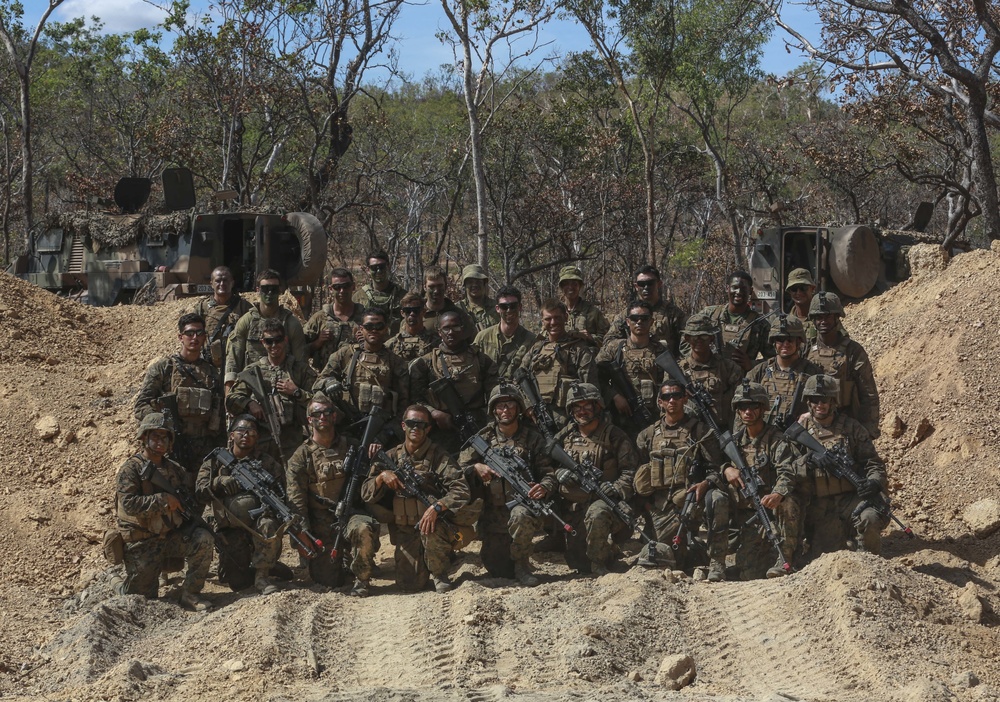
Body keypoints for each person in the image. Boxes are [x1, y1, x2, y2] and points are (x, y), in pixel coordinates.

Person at [361, 404, 481, 592]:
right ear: (403, 426)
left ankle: (440, 571)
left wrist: (438, 507)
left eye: (421, 424)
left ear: (428, 428)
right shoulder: (390, 456)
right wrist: (381, 477)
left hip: (434, 525)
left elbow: (461, 489)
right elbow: (366, 493)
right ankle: (426, 561)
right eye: (411, 423)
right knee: (409, 585)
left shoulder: (438, 456)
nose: (416, 428)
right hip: (406, 528)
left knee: (431, 528)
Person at [113, 413, 214, 610]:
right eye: (155, 437)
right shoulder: (131, 469)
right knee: (139, 599)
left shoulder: (175, 469)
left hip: (170, 537)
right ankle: (115, 581)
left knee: (204, 538)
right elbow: (129, 504)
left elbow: (190, 499)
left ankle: (190, 594)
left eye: (165, 437)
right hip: (142, 543)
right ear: (144, 438)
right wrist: (163, 500)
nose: (160, 442)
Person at [459, 384, 557, 585]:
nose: (506, 410)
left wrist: (544, 487)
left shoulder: (533, 438)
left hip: (521, 506)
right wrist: (476, 467)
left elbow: (549, 474)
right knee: (499, 569)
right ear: (493, 410)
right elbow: (458, 469)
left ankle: (522, 565)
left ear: (519, 408)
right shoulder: (484, 437)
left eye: (510, 405)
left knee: (521, 517)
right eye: (501, 406)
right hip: (492, 511)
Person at [286, 394, 381, 595]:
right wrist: (302, 534)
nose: (323, 417)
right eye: (317, 413)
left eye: (327, 412)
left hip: (351, 514)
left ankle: (362, 579)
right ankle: (344, 559)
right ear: (309, 419)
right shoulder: (301, 456)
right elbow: (297, 499)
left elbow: (372, 473)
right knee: (330, 580)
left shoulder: (353, 445)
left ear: (334, 417)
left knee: (363, 528)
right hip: (321, 522)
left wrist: (376, 450)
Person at [633, 379, 726, 579]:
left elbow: (715, 469)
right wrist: (647, 507)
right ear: (660, 402)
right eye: (667, 396)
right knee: (664, 555)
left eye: (676, 395)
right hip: (661, 507)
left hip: (693, 499)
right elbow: (637, 475)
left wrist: (705, 484)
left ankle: (717, 562)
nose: (672, 400)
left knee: (718, 499)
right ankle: (696, 552)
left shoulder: (700, 432)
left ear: (685, 398)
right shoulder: (647, 435)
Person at [791, 374, 889, 557]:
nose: (820, 404)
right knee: (827, 555)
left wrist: (873, 482)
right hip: (819, 504)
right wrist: (808, 461)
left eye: (825, 399)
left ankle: (871, 564)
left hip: (850, 498)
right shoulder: (799, 430)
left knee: (870, 518)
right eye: (815, 399)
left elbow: (873, 462)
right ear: (808, 402)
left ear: (834, 401)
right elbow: (786, 468)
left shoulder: (851, 428)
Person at [553, 383, 638, 575]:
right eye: (577, 407)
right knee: (578, 562)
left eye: (587, 406)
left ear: (597, 407)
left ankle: (600, 563)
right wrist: (559, 474)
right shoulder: (565, 436)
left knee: (597, 512)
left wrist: (615, 488)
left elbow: (630, 472)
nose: (582, 412)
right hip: (574, 507)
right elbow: (545, 466)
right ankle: (604, 551)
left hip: (606, 506)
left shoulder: (615, 436)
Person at [195, 414, 285, 595]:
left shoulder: (266, 463)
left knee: (269, 525)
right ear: (231, 435)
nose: (246, 435)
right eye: (241, 431)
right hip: (229, 528)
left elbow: (282, 493)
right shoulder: (215, 461)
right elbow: (200, 491)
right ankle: (265, 565)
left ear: (257, 437)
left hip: (258, 526)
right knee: (238, 582)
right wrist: (218, 482)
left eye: (251, 432)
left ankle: (262, 576)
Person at [720, 382, 798, 580]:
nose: (748, 412)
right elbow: (713, 466)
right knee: (748, 572)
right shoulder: (734, 443)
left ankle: (785, 558)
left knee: (788, 501)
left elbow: (787, 472)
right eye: (742, 407)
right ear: (737, 411)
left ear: (763, 408)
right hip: (748, 513)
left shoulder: (776, 440)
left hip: (773, 509)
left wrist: (778, 493)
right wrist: (726, 469)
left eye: (753, 406)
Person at [134, 313, 224, 480]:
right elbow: (141, 406)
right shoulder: (164, 368)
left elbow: (219, 414)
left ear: (205, 337)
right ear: (180, 337)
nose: (194, 337)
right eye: (189, 333)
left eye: (199, 333)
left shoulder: (212, 373)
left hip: (204, 450)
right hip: (170, 447)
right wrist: (163, 426)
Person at [226, 318, 316, 463]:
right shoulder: (253, 371)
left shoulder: (300, 370)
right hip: (259, 443)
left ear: (285, 340)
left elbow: (318, 402)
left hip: (292, 441)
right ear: (262, 342)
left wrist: (296, 392)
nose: (274, 345)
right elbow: (231, 399)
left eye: (278, 340)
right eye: (269, 341)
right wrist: (249, 403)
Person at [410, 309, 499, 455]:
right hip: (441, 431)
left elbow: (494, 395)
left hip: (477, 426)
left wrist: (489, 425)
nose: (451, 332)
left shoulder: (481, 360)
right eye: (446, 328)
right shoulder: (426, 363)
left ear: (462, 329)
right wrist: (435, 413)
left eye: (455, 327)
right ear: (439, 332)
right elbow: (415, 399)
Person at [314, 307, 409, 435]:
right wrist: (329, 382)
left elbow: (405, 402)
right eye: (369, 326)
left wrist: (388, 432)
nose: (374, 330)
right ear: (361, 329)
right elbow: (318, 382)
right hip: (346, 426)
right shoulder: (345, 354)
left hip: (380, 428)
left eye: (379, 326)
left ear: (386, 329)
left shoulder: (396, 362)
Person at [806, 291, 880, 438]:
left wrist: (868, 430)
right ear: (813, 320)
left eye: (828, 316)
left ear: (837, 318)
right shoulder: (805, 350)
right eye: (819, 317)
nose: (823, 321)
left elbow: (868, 394)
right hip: (810, 427)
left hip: (845, 425)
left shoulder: (853, 351)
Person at [519, 299, 597, 430]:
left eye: (557, 318)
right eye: (548, 319)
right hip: (536, 419)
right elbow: (519, 377)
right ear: (542, 321)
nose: (553, 323)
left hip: (569, 420)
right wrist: (527, 405)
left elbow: (590, 388)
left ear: (566, 317)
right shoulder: (536, 348)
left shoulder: (579, 349)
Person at [595, 300, 668, 439]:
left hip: (653, 416)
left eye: (644, 318)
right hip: (620, 417)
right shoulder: (614, 348)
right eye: (635, 318)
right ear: (628, 322)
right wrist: (614, 396)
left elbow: (668, 383)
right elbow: (596, 377)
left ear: (651, 321)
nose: (639, 322)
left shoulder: (661, 350)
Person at [225, 269, 307, 385]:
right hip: (251, 386)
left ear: (279, 291)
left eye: (274, 289)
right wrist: (229, 395)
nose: (269, 293)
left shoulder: (291, 323)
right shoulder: (246, 321)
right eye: (265, 289)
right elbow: (233, 362)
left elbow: (301, 364)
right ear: (258, 290)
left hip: (283, 388)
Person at [747, 315, 825, 430]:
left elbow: (824, 409)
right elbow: (743, 409)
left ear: (798, 342)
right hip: (765, 439)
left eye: (790, 339)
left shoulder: (812, 373)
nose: (785, 344)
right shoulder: (759, 372)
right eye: (780, 339)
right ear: (773, 342)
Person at [690, 270, 770, 372]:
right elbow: (686, 342)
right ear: (727, 288)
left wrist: (752, 364)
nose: (739, 292)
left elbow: (774, 359)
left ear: (750, 291)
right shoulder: (708, 315)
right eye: (735, 287)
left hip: (741, 381)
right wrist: (701, 358)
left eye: (743, 288)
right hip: (709, 377)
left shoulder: (760, 324)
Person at [676, 312, 744, 430]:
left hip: (722, 431)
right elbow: (663, 403)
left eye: (704, 336)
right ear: (687, 338)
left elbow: (741, 404)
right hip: (688, 432)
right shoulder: (678, 370)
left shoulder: (729, 368)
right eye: (694, 337)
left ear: (712, 338)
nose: (699, 341)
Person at [608, 265, 686, 356]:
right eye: (641, 284)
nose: (646, 287)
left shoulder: (673, 313)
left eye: (650, 283)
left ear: (659, 284)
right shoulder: (627, 314)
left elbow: (688, 341)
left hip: (664, 365)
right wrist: (629, 346)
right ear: (636, 286)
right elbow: (610, 339)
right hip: (631, 364)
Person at [303, 267, 366, 371]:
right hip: (326, 377)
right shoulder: (320, 318)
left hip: (357, 376)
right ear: (330, 289)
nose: (342, 291)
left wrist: (366, 340)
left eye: (346, 286)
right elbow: (301, 349)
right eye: (337, 287)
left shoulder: (365, 317)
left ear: (353, 286)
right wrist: (318, 342)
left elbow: (379, 348)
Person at [190, 266, 253, 369]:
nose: (222, 284)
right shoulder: (202, 307)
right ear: (211, 284)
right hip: (210, 365)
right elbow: (193, 336)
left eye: (225, 280)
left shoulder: (244, 307)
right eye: (218, 281)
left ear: (232, 282)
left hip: (238, 365)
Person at [473, 285, 536, 380]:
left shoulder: (531, 340)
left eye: (513, 306)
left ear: (520, 307)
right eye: (504, 307)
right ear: (497, 308)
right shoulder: (483, 338)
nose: (509, 310)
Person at [353, 250, 407, 334]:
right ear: (368, 270)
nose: (379, 271)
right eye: (374, 268)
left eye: (382, 267)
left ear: (388, 266)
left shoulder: (403, 296)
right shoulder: (359, 297)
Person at [558, 265, 610, 347]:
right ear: (561, 287)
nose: (570, 287)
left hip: (586, 356)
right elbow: (545, 335)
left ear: (580, 286)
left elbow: (607, 338)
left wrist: (590, 337)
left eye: (574, 284)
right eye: (566, 284)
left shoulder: (593, 312)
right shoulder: (555, 312)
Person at [386, 291, 440, 363]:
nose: (412, 314)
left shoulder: (435, 342)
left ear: (423, 311)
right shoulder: (392, 344)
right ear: (402, 313)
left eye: (416, 311)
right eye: (408, 311)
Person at [456, 263, 500, 333]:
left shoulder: (497, 307)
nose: (474, 285)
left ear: (484, 284)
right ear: (464, 285)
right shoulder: (458, 309)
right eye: (470, 282)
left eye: (478, 281)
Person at [784, 268, 818, 343]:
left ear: (812, 289)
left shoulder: (824, 319)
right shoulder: (786, 323)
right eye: (794, 289)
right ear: (789, 292)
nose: (798, 292)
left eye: (803, 288)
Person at [422, 266, 459, 333]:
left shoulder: (459, 315)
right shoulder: (416, 315)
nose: (436, 291)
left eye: (440, 286)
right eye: (431, 286)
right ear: (424, 287)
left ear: (446, 286)